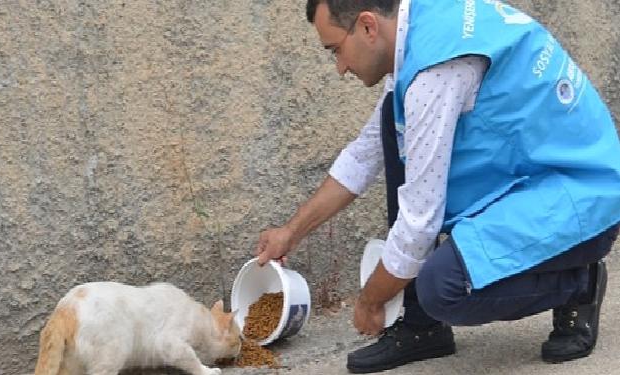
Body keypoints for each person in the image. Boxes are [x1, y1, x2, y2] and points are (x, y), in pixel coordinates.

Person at [255, 0, 620, 373]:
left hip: (584, 198)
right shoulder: (422, 29)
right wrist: (291, 232)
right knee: (390, 123)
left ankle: (580, 282)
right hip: (534, 175)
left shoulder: (435, 72)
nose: (340, 68)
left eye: (336, 50)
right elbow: (364, 156)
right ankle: (422, 329)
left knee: (443, 288)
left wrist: (371, 300)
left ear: (367, 27)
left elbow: (418, 226)